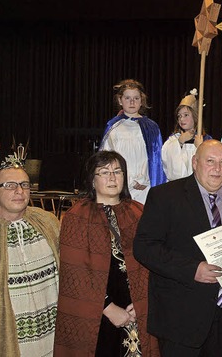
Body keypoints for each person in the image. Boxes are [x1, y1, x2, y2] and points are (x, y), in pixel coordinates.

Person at [134, 139, 222, 357]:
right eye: (210, 161)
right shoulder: (165, 196)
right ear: (194, 162)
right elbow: (144, 247)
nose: (217, 169)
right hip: (182, 316)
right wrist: (192, 269)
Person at [54, 151, 158, 356]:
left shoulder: (139, 212)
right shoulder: (77, 216)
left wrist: (143, 302)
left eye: (117, 171)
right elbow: (74, 272)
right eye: (104, 172)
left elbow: (153, 263)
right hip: (95, 311)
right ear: (92, 180)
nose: (112, 177)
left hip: (136, 308)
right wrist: (109, 309)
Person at [0, 155, 60, 357]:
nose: (19, 191)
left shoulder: (47, 222)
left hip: (53, 334)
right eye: (10, 185)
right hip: (14, 339)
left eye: (24, 184)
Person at [100, 79, 166, 204]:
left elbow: (157, 160)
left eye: (136, 98)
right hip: (120, 186)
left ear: (142, 101)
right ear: (120, 100)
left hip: (145, 188)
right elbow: (107, 160)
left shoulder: (151, 128)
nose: (132, 102)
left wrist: (144, 181)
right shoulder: (114, 127)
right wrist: (128, 181)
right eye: (127, 98)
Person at [162, 88, 212, 181]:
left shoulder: (206, 140)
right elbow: (168, 164)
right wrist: (180, 142)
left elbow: (210, 165)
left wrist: (200, 147)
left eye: (186, 115)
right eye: (179, 116)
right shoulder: (173, 140)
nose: (181, 119)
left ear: (195, 116)